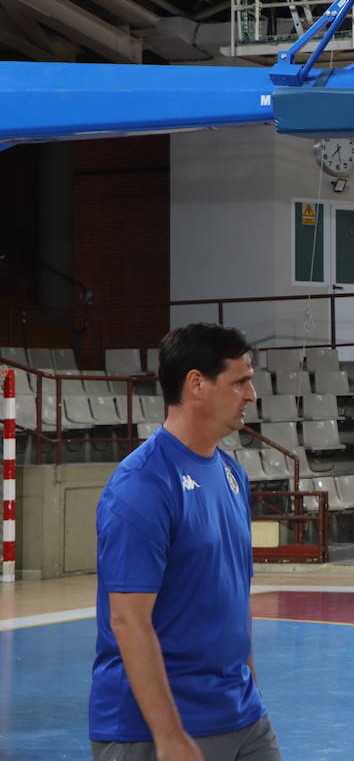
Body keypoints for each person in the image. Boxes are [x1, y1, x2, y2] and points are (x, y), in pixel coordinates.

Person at [90, 323, 279, 761]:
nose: (251, 395)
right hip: (157, 732)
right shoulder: (143, 485)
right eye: (240, 382)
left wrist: (249, 691)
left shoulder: (233, 474)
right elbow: (128, 621)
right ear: (197, 383)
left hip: (242, 717)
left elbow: (233, 595)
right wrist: (170, 736)